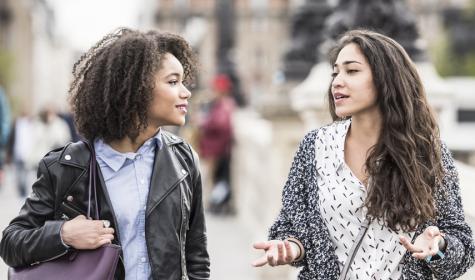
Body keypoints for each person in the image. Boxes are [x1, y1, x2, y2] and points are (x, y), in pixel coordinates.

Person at [252, 29, 475, 279]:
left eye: (352, 71)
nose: (337, 81)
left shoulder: (427, 153)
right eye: (335, 72)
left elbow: (462, 250)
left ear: (385, 79)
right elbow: (290, 226)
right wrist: (291, 247)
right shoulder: (315, 146)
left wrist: (438, 247)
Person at [0, 28, 210, 280]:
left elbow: (196, 257)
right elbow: (11, 243)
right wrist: (63, 234)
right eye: (173, 81)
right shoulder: (67, 166)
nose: (186, 92)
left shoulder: (184, 159)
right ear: (136, 88)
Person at [198, 74, 235, 214]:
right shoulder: (218, 104)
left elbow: (221, 124)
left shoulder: (225, 104)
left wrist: (204, 122)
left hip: (217, 150)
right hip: (213, 149)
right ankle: (213, 204)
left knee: (215, 179)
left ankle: (215, 204)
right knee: (213, 180)